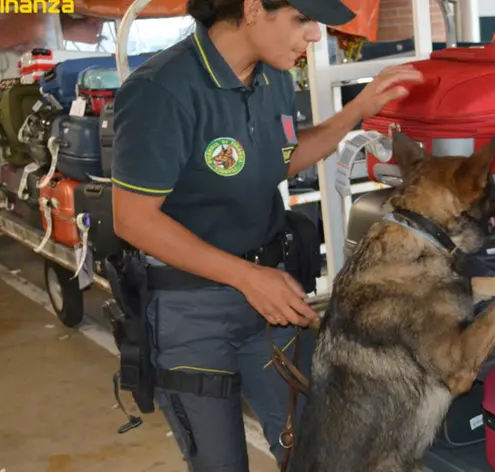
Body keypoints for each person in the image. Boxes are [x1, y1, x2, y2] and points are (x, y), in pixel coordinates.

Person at [107, 0, 424, 470]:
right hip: (194, 313)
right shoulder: (160, 92)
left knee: (318, 451)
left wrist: (358, 109)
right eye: (302, 20)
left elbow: (280, 159)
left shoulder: (273, 76)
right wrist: (247, 278)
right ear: (253, 8)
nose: (314, 36)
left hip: (271, 297)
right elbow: (132, 219)